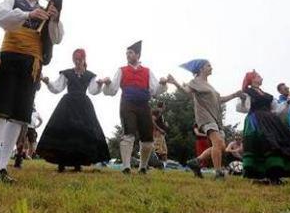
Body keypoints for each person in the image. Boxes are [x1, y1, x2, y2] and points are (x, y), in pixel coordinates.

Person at [0, 0, 64, 183]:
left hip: (32, 64)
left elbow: (56, 39)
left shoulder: (46, 10)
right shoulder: (12, 1)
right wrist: (28, 14)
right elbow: (2, 18)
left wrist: (54, 20)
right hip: (9, 57)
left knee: (19, 115)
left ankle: (2, 167)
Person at [36, 49, 110, 172]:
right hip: (67, 105)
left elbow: (93, 91)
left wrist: (100, 84)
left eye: (80, 59)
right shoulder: (67, 73)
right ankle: (62, 163)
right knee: (65, 132)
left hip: (83, 106)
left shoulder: (90, 75)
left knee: (80, 133)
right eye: (75, 59)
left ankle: (77, 163)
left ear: (84, 59)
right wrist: (47, 82)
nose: (77, 62)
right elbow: (57, 88)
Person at [167, 59, 242, 180]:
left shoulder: (210, 86)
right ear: (201, 69)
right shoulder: (195, 82)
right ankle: (218, 173)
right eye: (208, 66)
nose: (211, 68)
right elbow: (186, 92)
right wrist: (175, 82)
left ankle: (196, 162)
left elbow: (220, 100)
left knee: (221, 147)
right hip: (205, 117)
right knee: (217, 143)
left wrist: (235, 95)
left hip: (216, 119)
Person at [102, 41, 167, 175]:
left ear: (137, 55)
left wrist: (162, 84)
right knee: (128, 133)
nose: (127, 55)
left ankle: (142, 167)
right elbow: (113, 89)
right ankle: (126, 167)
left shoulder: (148, 71)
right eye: (126, 53)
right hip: (127, 103)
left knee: (148, 138)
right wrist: (108, 84)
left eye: (130, 53)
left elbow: (155, 90)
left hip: (144, 105)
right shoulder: (121, 70)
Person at [237, 71, 290, 185]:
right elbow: (243, 108)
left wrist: (287, 102)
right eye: (258, 76)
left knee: (275, 144)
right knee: (261, 143)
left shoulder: (267, 96)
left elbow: (277, 110)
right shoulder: (247, 92)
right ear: (252, 79)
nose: (261, 78)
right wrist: (242, 99)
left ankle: (274, 176)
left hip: (271, 121)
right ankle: (260, 176)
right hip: (255, 120)